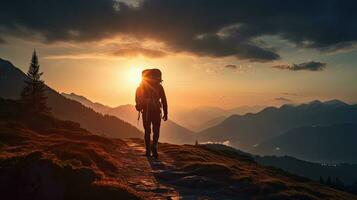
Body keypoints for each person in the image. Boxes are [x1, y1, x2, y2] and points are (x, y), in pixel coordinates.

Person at [135, 69, 168, 159]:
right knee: (156, 130)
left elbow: (137, 101)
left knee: (147, 131)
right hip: (156, 111)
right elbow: (164, 100)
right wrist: (166, 113)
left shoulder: (140, 88)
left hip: (146, 112)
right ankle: (154, 146)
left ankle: (148, 151)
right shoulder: (159, 87)